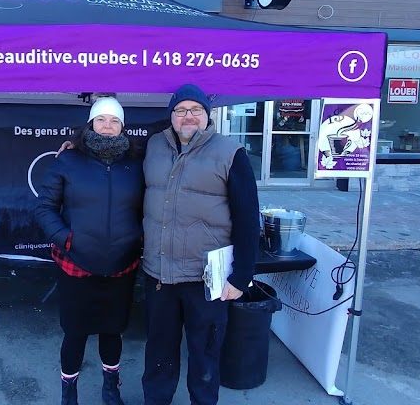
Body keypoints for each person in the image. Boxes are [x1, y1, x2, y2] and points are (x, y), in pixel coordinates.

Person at [141, 83, 260, 405]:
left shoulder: (230, 154)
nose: (188, 116)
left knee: (205, 353)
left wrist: (241, 276)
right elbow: (111, 149)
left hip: (206, 278)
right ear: (171, 116)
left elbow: (248, 218)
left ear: (208, 115)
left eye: (196, 110)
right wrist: (76, 144)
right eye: (181, 110)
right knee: (158, 353)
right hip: (159, 274)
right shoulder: (154, 145)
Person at [35, 96, 145, 405]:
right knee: (75, 333)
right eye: (101, 120)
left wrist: (137, 239)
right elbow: (44, 208)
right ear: (90, 124)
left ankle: (111, 389)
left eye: (114, 121)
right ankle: (69, 393)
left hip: (122, 265)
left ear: (123, 127)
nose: (107, 126)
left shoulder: (137, 164)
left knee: (113, 331)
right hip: (77, 264)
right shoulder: (68, 161)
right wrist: (66, 239)